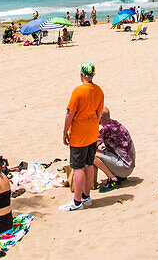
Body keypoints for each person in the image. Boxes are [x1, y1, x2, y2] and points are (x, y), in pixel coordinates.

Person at [62, 62, 104, 211]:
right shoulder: (98, 90)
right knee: (89, 164)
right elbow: (99, 113)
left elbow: (70, 113)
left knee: (78, 167)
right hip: (92, 132)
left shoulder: (78, 91)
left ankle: (77, 201)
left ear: (81, 75)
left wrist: (64, 132)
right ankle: (87, 197)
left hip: (79, 134)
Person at [94, 107, 135, 191]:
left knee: (92, 156)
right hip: (129, 163)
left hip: (124, 168)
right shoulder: (115, 124)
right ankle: (117, 176)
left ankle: (113, 180)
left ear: (100, 118)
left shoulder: (106, 129)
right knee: (101, 151)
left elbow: (92, 145)